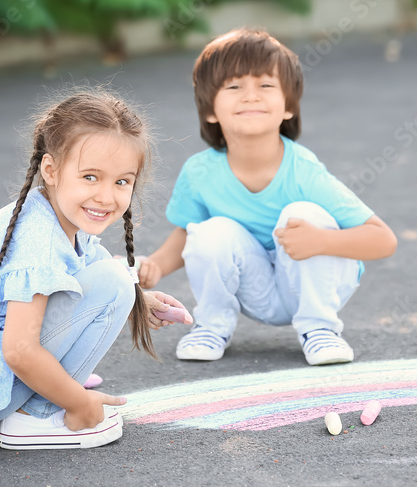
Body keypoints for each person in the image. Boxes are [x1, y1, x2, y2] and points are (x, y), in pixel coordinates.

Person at [0, 89, 191, 450]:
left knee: (114, 277)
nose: (107, 196)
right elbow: (19, 351)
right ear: (51, 170)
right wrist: (79, 403)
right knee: (115, 279)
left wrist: (141, 300)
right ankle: (38, 417)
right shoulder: (38, 238)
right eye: (90, 176)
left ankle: (48, 396)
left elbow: (87, 274)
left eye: (121, 181)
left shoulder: (56, 216)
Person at [139, 28, 397, 365]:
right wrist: (155, 266)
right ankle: (210, 326)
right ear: (210, 110)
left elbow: (383, 240)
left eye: (265, 85)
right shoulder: (200, 172)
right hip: (258, 291)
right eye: (234, 86)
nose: (251, 96)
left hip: (318, 285)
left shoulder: (303, 170)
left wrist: (320, 241)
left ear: (288, 106)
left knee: (304, 212)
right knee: (211, 230)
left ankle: (320, 329)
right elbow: (189, 234)